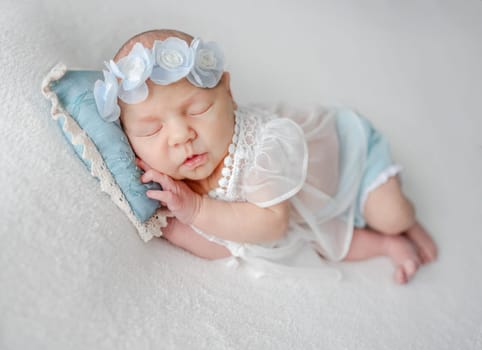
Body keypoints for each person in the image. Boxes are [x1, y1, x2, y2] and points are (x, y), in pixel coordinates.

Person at [93, 29, 437, 284]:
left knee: (391, 214)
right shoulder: (175, 179)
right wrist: (174, 224)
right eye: (152, 131)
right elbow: (234, 243)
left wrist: (196, 210)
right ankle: (388, 244)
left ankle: (406, 222)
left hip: (347, 160)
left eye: (197, 109)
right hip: (308, 210)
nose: (182, 136)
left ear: (228, 93)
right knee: (320, 242)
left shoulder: (263, 149)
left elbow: (272, 225)